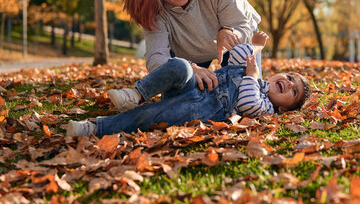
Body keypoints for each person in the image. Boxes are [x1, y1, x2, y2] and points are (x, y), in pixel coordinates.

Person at [66, 32, 311, 137]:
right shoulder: (252, 72)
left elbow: (247, 103)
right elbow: (237, 54)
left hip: (195, 111)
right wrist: (257, 48)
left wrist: (253, 74)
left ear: (285, 109)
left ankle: (94, 128)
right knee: (181, 65)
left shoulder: (266, 107)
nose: (288, 84)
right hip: (191, 88)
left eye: (294, 91)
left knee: (150, 115)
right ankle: (137, 94)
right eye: (290, 77)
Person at [121, 0, 261, 95]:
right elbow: (157, 58)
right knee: (176, 100)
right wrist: (190, 68)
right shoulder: (153, 8)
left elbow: (241, 26)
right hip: (186, 53)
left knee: (247, 96)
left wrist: (229, 31)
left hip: (233, 45)